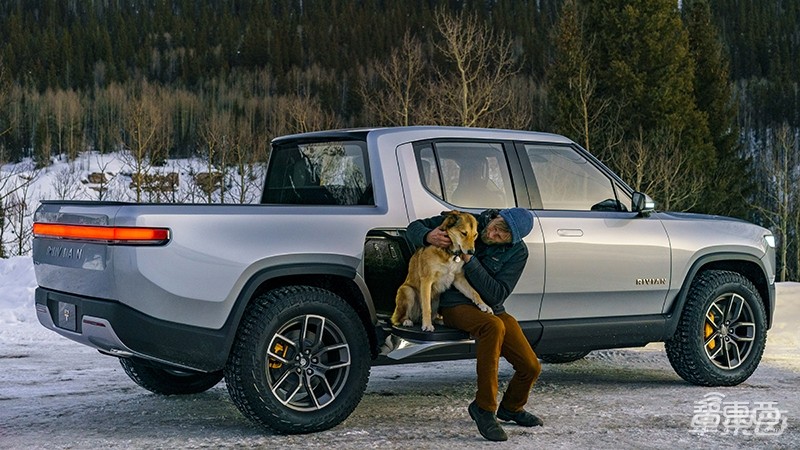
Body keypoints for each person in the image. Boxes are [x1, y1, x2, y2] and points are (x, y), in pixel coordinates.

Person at [405, 208, 542, 442]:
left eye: (501, 236)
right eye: (495, 227)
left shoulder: (518, 252)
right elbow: (413, 227)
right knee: (492, 327)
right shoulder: (468, 221)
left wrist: (470, 260)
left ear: (512, 241)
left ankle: (511, 407)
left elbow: (496, 294)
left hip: (489, 306)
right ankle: (484, 408)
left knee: (530, 366)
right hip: (453, 303)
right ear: (496, 217)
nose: (493, 234)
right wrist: (428, 235)